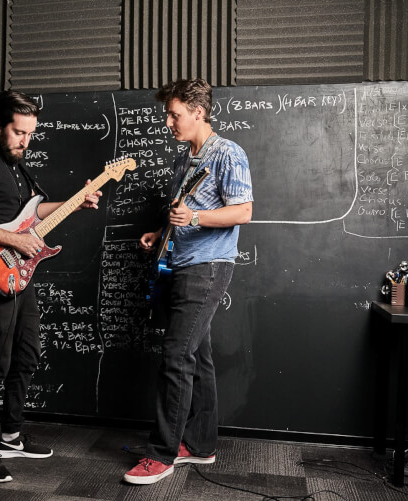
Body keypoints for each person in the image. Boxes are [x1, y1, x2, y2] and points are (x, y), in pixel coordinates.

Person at [0, 89, 102, 483]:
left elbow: (29, 215)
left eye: (30, 134)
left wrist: (75, 201)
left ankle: (11, 436)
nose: (25, 141)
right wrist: (16, 242)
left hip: (20, 273)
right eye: (18, 132)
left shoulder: (13, 160)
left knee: (28, 353)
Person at [123, 78, 253, 485]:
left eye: (174, 114)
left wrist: (194, 219)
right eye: (168, 114)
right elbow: (181, 214)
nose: (168, 122)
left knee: (176, 356)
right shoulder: (186, 159)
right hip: (180, 263)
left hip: (208, 267)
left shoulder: (228, 153)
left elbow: (243, 211)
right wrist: (160, 234)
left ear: (198, 112)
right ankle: (199, 445)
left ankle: (161, 455)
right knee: (198, 357)